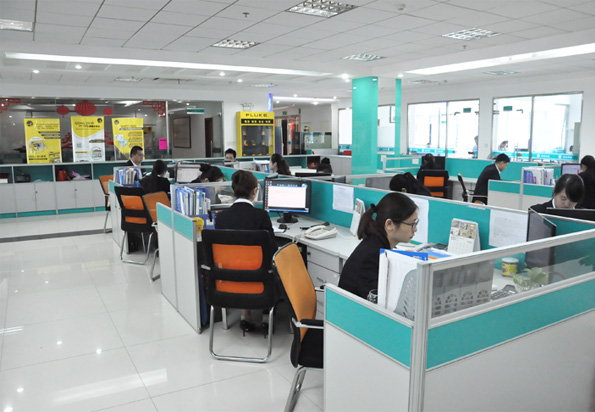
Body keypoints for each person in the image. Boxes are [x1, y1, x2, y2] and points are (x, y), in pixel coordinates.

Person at [214, 170, 276, 334]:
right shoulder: (261, 216)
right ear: (255, 191)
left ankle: (245, 315)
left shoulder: (221, 217)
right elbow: (272, 249)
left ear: (233, 191)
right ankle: (266, 317)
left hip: (230, 279)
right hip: (258, 278)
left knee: (239, 261)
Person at [339, 192, 419, 300]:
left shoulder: (377, 244)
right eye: (412, 224)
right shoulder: (372, 256)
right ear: (389, 224)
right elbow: (379, 301)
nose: (415, 229)